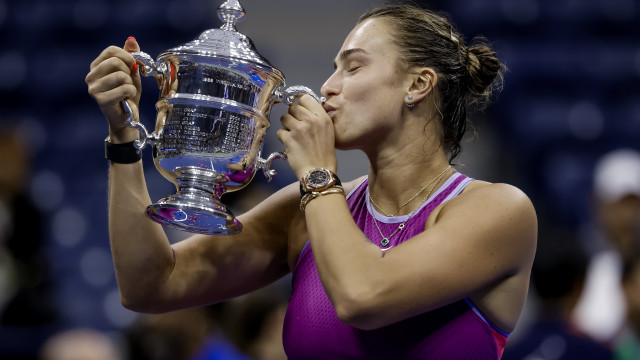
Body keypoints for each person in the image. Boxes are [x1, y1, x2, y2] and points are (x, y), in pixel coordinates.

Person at [85, 4, 537, 359]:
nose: (328, 87)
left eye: (352, 67)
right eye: (333, 68)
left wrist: (319, 175)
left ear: (417, 85)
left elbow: (363, 297)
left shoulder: (499, 210)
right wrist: (123, 137)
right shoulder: (302, 211)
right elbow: (150, 285)